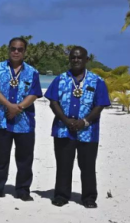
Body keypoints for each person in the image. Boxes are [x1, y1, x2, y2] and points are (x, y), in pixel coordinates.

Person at [45, 46, 110, 208]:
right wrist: (65, 120)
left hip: (88, 132)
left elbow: (100, 105)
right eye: (73, 57)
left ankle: (88, 198)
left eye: (79, 58)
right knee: (63, 165)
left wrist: (85, 121)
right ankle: (61, 195)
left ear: (86, 60)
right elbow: (53, 102)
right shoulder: (60, 79)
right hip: (63, 130)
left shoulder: (97, 81)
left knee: (87, 166)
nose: (75, 60)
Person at [0, 37, 43, 201]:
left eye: (20, 49)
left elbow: (34, 93)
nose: (16, 52)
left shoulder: (32, 72)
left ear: (25, 51)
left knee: (25, 158)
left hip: (24, 123)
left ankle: (23, 189)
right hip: (3, 121)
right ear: (8, 49)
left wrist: (18, 108)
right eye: (13, 49)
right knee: (0, 158)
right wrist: (9, 106)